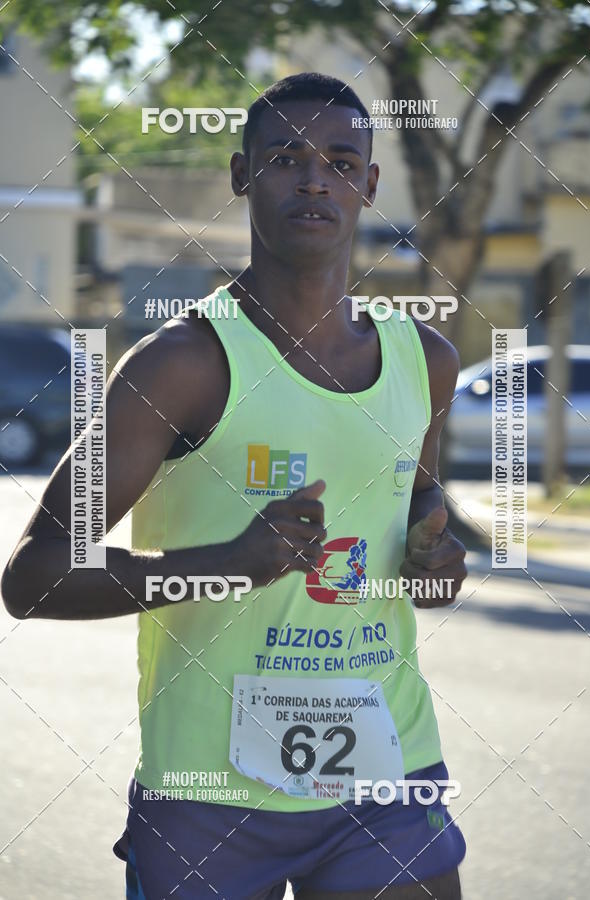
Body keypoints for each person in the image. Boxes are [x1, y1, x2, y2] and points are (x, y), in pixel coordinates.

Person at [1, 72, 468, 899]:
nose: (314, 177)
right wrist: (225, 564)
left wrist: (433, 553)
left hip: (383, 770)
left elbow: (420, 499)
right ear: (241, 174)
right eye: (286, 157)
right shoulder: (181, 366)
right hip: (207, 791)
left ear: (369, 184)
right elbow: (35, 578)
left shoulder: (423, 360)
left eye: (339, 159)